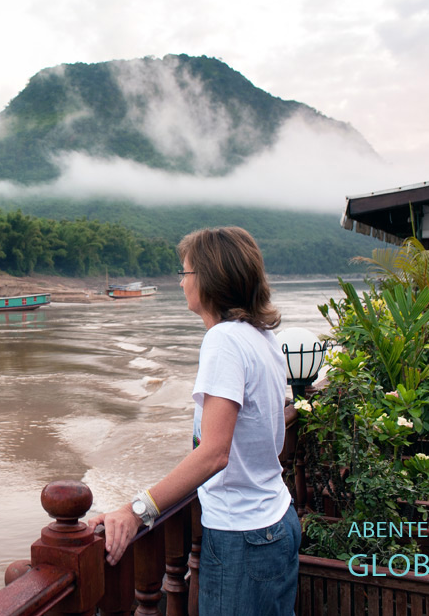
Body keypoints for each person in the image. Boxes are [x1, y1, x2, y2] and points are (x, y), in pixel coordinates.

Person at [89, 226, 300, 615]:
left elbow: (214, 453)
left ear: (209, 279)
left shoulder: (224, 341)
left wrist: (137, 511)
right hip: (278, 520)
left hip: (243, 538)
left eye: (185, 273)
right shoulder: (262, 337)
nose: (180, 281)